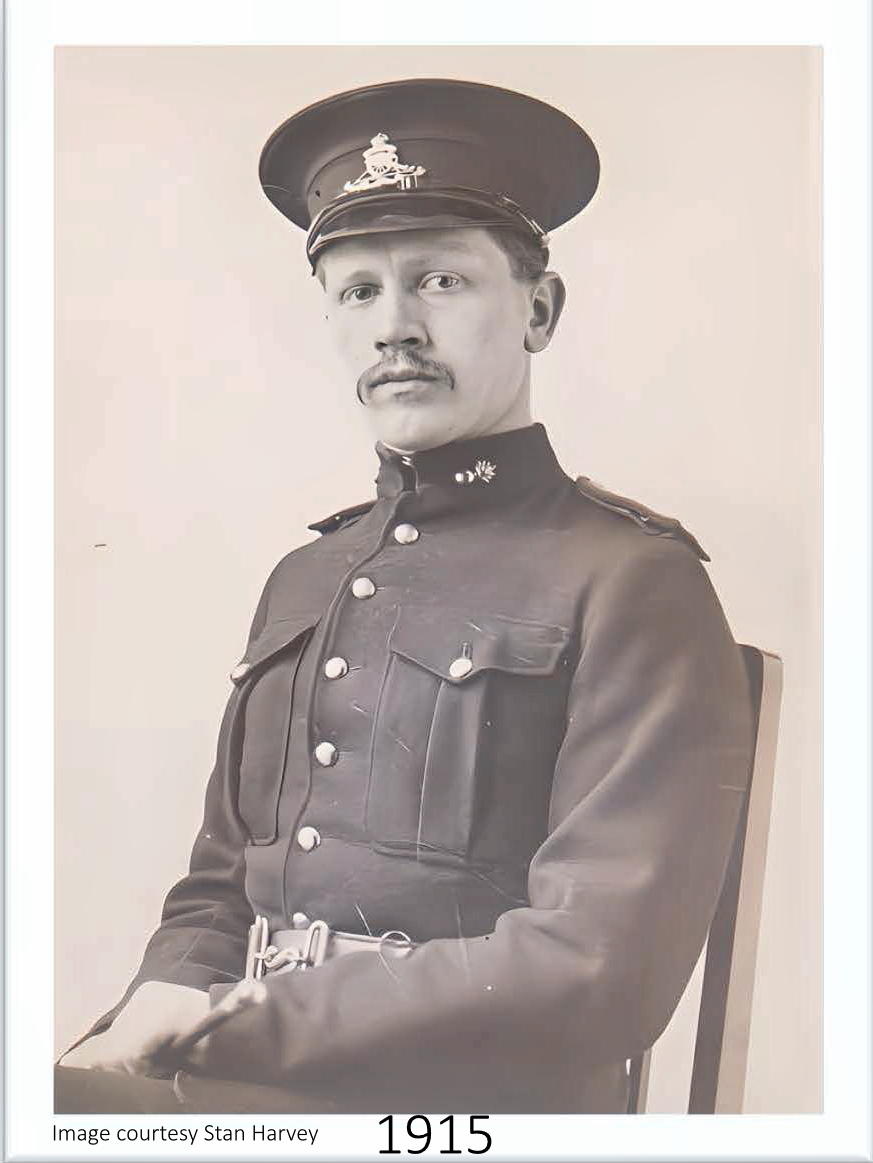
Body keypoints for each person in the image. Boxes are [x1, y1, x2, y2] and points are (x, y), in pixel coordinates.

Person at [56, 78, 754, 1115]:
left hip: (475, 1102)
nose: (397, 328)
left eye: (441, 280)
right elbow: (219, 882)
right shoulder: (308, 576)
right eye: (358, 292)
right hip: (246, 1072)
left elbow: (597, 966)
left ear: (540, 311)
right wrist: (162, 996)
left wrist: (237, 1020)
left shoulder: (631, 580)